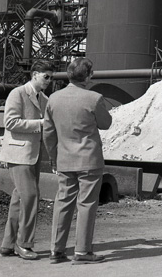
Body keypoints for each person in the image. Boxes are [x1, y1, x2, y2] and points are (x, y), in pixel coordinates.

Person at [43, 58, 112, 264]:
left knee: (63, 202)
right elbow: (106, 123)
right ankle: (82, 251)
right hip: (89, 160)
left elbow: (48, 133)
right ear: (89, 76)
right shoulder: (94, 98)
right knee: (87, 204)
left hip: (64, 159)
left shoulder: (53, 99)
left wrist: (54, 157)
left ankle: (56, 250)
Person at [0, 60, 55, 260]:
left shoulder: (44, 99)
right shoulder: (18, 94)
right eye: (46, 76)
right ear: (34, 74)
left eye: (51, 77)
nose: (49, 80)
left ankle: (8, 244)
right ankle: (24, 244)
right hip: (19, 155)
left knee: (20, 198)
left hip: (34, 155)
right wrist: (40, 123)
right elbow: (10, 122)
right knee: (30, 196)